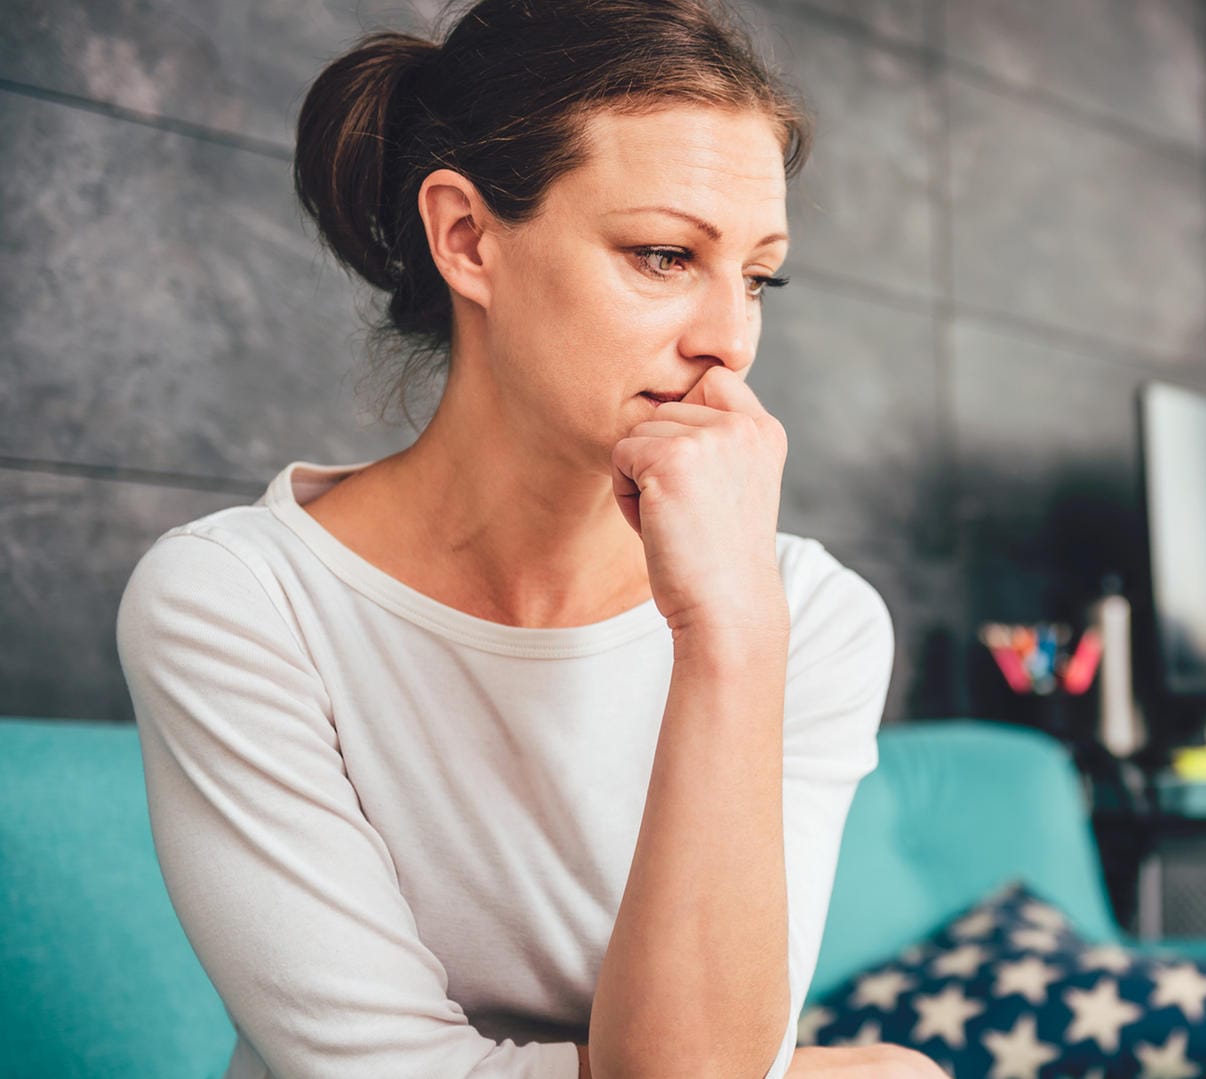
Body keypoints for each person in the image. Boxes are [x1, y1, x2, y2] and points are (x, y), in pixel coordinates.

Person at [114, 1, 942, 1076]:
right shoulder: (235, 602)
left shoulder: (812, 617)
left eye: (757, 276)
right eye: (661, 254)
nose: (729, 341)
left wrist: (730, 634)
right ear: (467, 237)